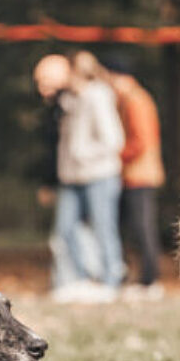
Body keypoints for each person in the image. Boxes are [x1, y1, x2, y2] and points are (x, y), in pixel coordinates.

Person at [51, 51, 125, 302]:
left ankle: (110, 281)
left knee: (104, 228)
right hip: (72, 177)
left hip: (99, 174)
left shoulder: (98, 97)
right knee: (65, 229)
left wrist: (83, 153)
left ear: (75, 72)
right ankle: (80, 278)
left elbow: (114, 140)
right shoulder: (70, 100)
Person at [102, 56, 166, 300]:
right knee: (135, 227)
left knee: (143, 228)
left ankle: (150, 279)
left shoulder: (136, 100)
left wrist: (117, 157)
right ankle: (142, 277)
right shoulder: (130, 99)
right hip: (134, 174)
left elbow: (140, 140)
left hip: (140, 174)